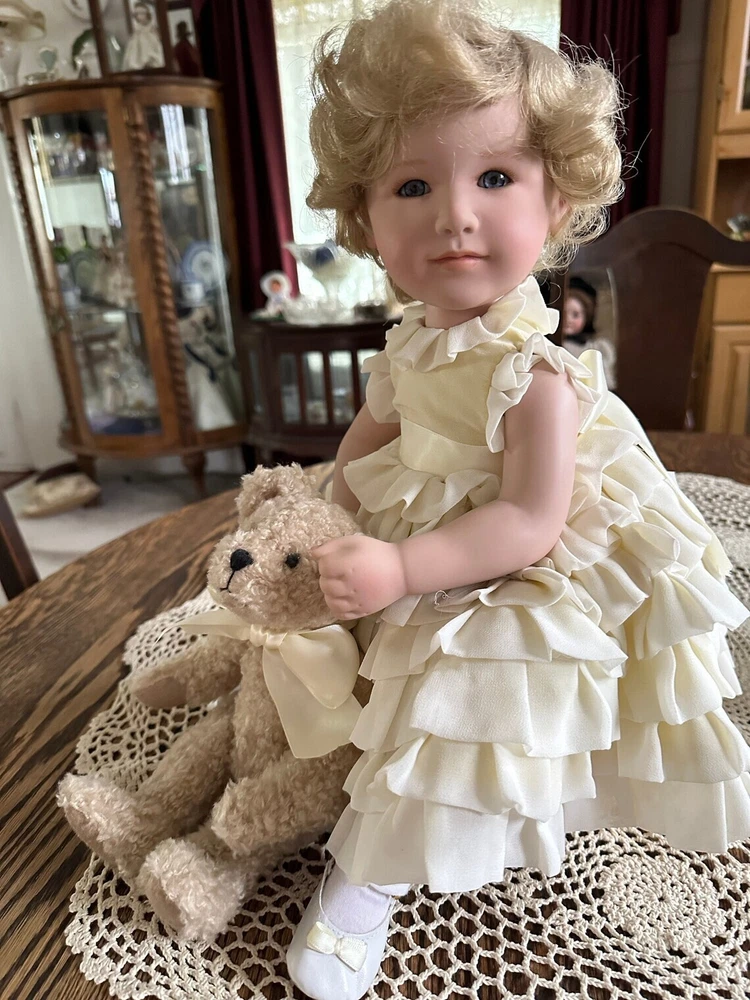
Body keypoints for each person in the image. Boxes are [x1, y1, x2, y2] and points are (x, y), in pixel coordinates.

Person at [284, 3, 750, 997]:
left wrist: (404, 565)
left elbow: (531, 522)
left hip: (517, 554)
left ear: (556, 200)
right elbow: (372, 432)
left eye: (495, 177)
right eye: (413, 184)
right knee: (348, 651)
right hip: (428, 526)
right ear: (367, 220)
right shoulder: (411, 344)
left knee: (473, 678)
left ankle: (372, 873)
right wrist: (326, 513)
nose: (455, 214)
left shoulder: (534, 374)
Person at [562, 275, 617, 388]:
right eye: (564, 313)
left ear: (586, 317)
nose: (568, 319)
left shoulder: (596, 348)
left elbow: (605, 381)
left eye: (575, 315)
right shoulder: (557, 346)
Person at [122, 1, 164, 72]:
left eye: (141, 13)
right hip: (139, 69)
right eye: (137, 14)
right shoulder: (136, 34)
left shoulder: (154, 31)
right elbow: (131, 56)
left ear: (147, 14)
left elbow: (158, 49)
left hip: (155, 66)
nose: (139, 16)